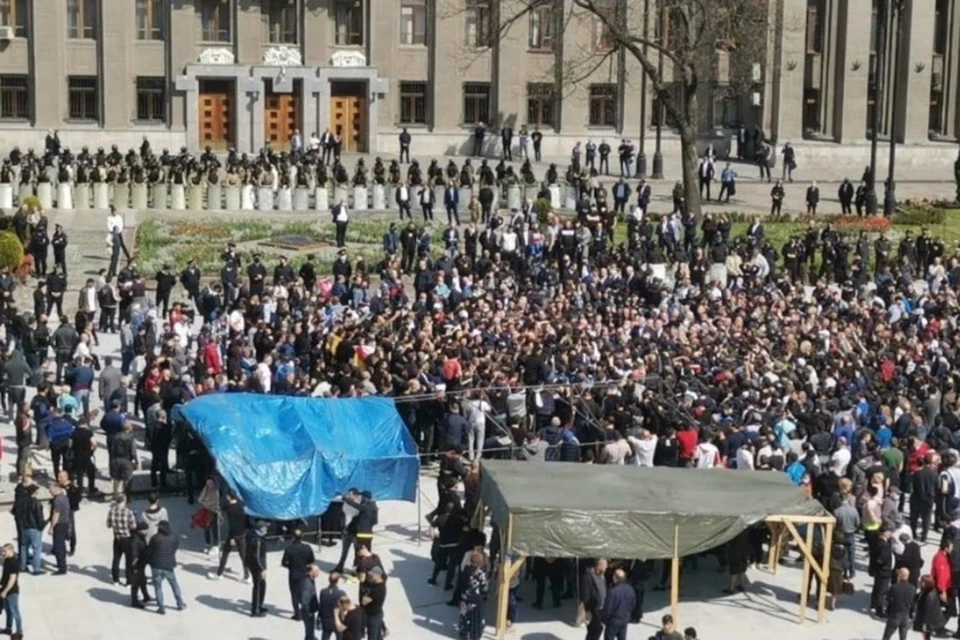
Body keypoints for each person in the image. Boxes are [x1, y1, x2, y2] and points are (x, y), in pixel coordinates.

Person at [147, 520, 185, 614]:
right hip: (169, 565)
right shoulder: (174, 537)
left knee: (158, 586)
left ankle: (161, 607)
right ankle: (180, 603)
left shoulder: (155, 538)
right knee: (174, 584)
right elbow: (175, 548)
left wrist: (149, 561)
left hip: (156, 565)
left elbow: (149, 551)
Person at [211, 492, 249, 581]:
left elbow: (233, 525)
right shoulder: (241, 505)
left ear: (229, 497)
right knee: (243, 555)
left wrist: (232, 538)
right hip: (242, 533)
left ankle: (219, 574)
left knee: (225, 553)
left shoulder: (231, 510)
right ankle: (247, 576)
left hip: (234, 535)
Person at [282, 528, 316, 621]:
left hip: (293, 573)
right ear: (302, 537)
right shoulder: (307, 547)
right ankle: (306, 610)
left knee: (294, 594)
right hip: (304, 573)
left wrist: (290, 566)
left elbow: (284, 562)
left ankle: (297, 614)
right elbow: (311, 560)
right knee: (304, 592)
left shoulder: (289, 549)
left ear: (293, 537)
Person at [106, 493, 136, 586]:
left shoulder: (112, 511)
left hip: (117, 538)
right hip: (126, 538)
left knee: (116, 559)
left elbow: (108, 525)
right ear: (124, 501)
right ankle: (129, 581)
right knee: (128, 560)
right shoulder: (128, 512)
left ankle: (115, 579)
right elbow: (133, 526)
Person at [457, 550, 488, 640]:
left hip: (465, 597)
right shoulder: (480, 573)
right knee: (475, 618)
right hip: (476, 599)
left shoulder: (465, 570)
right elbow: (484, 587)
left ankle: (463, 634)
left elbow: (460, 583)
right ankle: (474, 635)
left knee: (464, 616)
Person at [602, 569, 636, 640]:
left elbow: (608, 608)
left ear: (615, 577)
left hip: (613, 620)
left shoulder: (613, 592)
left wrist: (604, 619)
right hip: (624, 619)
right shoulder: (630, 589)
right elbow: (633, 604)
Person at [245, 520, 270, 617]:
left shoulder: (252, 534)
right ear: (261, 529)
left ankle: (259, 604)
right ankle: (255, 610)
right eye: (265, 527)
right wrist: (262, 569)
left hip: (252, 562)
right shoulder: (257, 540)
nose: (267, 529)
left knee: (262, 584)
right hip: (256, 566)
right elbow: (257, 556)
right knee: (258, 586)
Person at [581, 558, 608, 640]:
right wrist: (587, 610)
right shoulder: (587, 576)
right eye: (605, 566)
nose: (606, 568)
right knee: (596, 629)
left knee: (595, 629)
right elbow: (586, 594)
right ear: (599, 565)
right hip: (593, 607)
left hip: (601, 606)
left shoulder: (601, 575)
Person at [48, 482, 71, 574]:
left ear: (56, 488)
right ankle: (62, 564)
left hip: (59, 524)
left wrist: (51, 527)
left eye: (50, 489)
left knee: (58, 546)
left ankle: (62, 567)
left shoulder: (57, 500)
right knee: (61, 545)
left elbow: (56, 514)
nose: (49, 491)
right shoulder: (64, 497)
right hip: (65, 523)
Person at [913, 573, 945, 640]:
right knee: (926, 636)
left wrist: (925, 624)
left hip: (928, 621)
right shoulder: (926, 591)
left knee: (926, 635)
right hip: (927, 619)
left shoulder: (928, 595)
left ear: (926, 583)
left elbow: (928, 611)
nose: (919, 582)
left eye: (922, 581)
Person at [0, 544, 22, 640]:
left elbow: (12, 579)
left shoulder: (14, 563)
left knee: (15, 611)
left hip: (12, 591)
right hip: (4, 589)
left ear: (11, 550)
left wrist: (5, 591)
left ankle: (19, 632)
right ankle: (8, 628)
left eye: (4, 551)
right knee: (8, 610)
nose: (2, 553)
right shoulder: (6, 560)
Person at [128, 521, 151, 609]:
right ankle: (134, 601)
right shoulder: (135, 540)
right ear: (140, 530)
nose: (147, 532)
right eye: (145, 530)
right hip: (136, 565)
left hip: (141, 564)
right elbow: (133, 554)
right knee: (135, 583)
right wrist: (134, 566)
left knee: (142, 580)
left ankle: (146, 596)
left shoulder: (141, 537)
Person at [318, 572, 347, 640]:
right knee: (340, 637)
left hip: (325, 618)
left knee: (325, 636)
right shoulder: (341, 593)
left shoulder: (323, 591)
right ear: (337, 581)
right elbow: (345, 607)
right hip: (337, 619)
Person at [298, 562, 322, 640]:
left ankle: (311, 637)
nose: (318, 573)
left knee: (310, 629)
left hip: (310, 609)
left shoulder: (310, 579)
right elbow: (304, 600)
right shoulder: (307, 584)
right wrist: (308, 612)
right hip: (308, 611)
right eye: (317, 571)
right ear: (310, 572)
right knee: (309, 629)